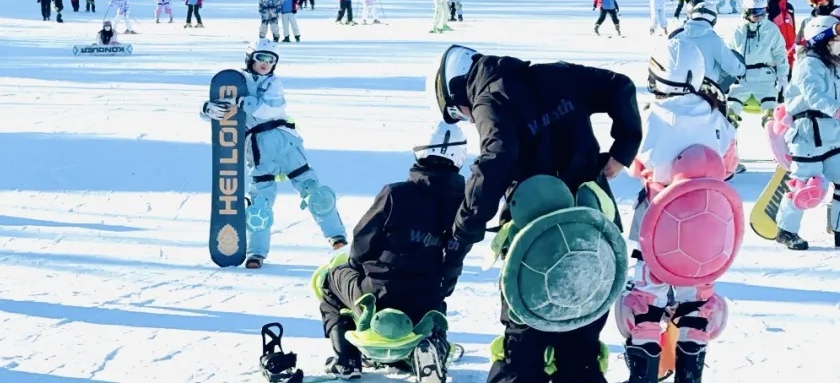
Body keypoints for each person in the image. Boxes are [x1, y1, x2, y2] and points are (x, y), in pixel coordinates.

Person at [430, 44, 643, 383]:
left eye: (459, 113)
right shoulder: (556, 73)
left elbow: (493, 166)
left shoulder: (490, 101)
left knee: (524, 344)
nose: (468, 120)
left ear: (459, 89)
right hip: (594, 228)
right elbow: (619, 85)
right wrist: (623, 149)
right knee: (582, 337)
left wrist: (460, 236)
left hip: (537, 242)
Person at [620, 39, 739, 383]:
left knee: (646, 303)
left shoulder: (654, 117)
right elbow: (730, 164)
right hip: (709, 231)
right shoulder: (717, 115)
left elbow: (636, 165)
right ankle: (689, 375)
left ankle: (642, 374)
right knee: (696, 305)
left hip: (659, 229)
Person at [313, 120, 467, 380]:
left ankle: (346, 360)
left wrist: (355, 266)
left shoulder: (395, 194)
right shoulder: (465, 205)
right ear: (460, 156)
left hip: (380, 292)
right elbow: (457, 252)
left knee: (329, 280)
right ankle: (432, 347)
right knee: (433, 308)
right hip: (429, 295)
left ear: (419, 150)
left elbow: (362, 241)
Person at [199, 39, 347, 268]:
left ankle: (337, 238)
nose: (265, 63)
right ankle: (256, 252)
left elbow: (270, 108)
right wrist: (207, 109)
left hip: (284, 143)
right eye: (261, 58)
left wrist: (240, 101)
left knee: (314, 192)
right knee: (260, 204)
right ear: (250, 58)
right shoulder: (235, 81)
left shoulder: (273, 83)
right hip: (258, 150)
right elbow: (218, 113)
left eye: (271, 60)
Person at [771, 10, 840, 250]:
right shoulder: (809, 63)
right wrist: (836, 109)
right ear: (822, 39)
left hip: (832, 133)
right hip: (807, 133)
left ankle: (839, 228)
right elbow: (813, 95)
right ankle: (786, 230)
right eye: (835, 40)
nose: (838, 44)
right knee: (804, 184)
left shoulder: (833, 64)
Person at [726, 0, 788, 125]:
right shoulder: (737, 30)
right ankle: (729, 128)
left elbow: (780, 54)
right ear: (746, 11)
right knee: (732, 104)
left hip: (765, 76)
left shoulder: (771, 29)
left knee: (770, 104)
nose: (760, 15)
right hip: (742, 76)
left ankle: (770, 122)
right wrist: (725, 77)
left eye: (763, 11)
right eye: (756, 12)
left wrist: (782, 76)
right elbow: (728, 54)